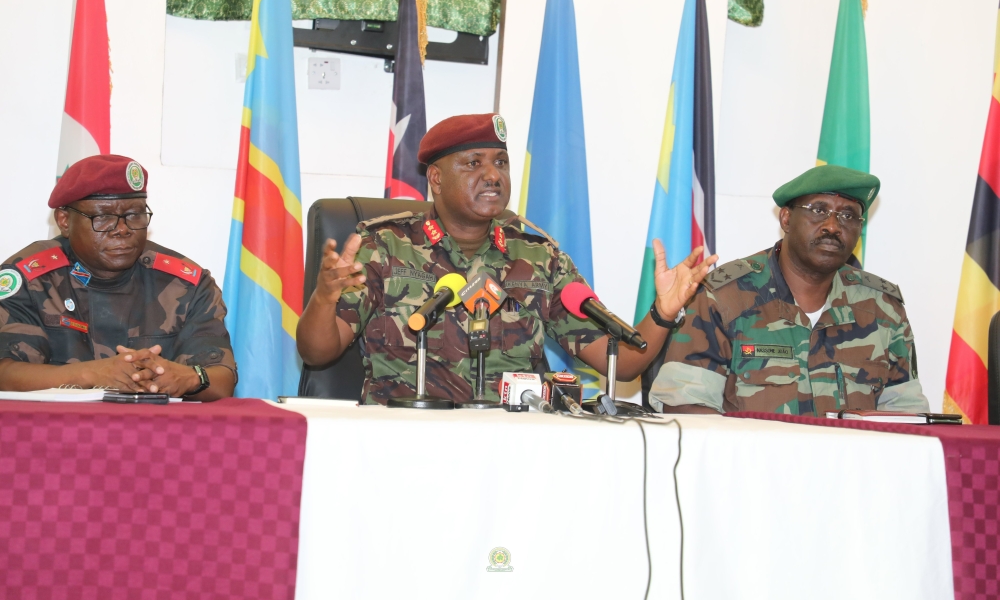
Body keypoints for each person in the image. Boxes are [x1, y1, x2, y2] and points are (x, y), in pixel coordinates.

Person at [297, 113, 718, 404]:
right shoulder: (383, 245)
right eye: (473, 163)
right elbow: (318, 353)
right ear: (437, 179)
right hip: (406, 443)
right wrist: (323, 298)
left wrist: (663, 313)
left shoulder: (537, 257)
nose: (493, 175)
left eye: (501, 162)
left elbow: (622, 364)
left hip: (514, 448)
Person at [648, 164, 929, 416]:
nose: (833, 226)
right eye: (819, 211)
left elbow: (906, 417)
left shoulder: (882, 308)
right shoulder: (724, 296)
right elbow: (684, 405)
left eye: (848, 216)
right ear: (785, 219)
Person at [0, 155, 236, 400]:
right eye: (102, 217)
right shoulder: (30, 279)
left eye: (134, 215)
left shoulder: (186, 284)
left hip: (155, 432)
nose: (122, 229)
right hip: (58, 432)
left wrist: (187, 378)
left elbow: (222, 380)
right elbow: (5, 372)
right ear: (64, 221)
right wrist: (90, 375)